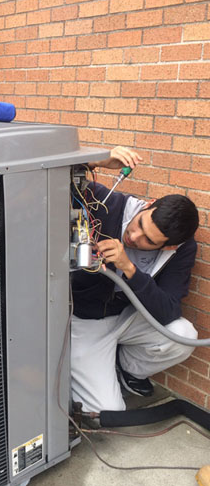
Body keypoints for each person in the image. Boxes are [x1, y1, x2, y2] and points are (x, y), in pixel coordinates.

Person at [71, 146, 199, 413]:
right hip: (85, 320)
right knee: (108, 412)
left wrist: (129, 268)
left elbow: (168, 310)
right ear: (148, 205)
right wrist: (98, 159)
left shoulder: (183, 249)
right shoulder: (103, 202)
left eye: (148, 241)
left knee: (183, 335)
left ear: (169, 248)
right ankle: (90, 368)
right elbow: (51, 178)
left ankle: (127, 369)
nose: (134, 237)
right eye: (140, 223)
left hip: (127, 316)